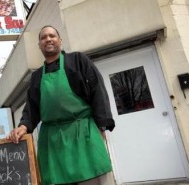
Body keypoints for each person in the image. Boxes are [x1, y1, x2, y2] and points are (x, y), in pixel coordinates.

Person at [7, 25, 115, 185]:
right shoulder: (36, 77)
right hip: (52, 141)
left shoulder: (78, 60)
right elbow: (32, 109)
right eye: (43, 37)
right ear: (39, 45)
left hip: (84, 134)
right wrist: (23, 127)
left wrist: (102, 126)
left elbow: (97, 91)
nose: (48, 39)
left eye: (52, 35)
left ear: (60, 41)